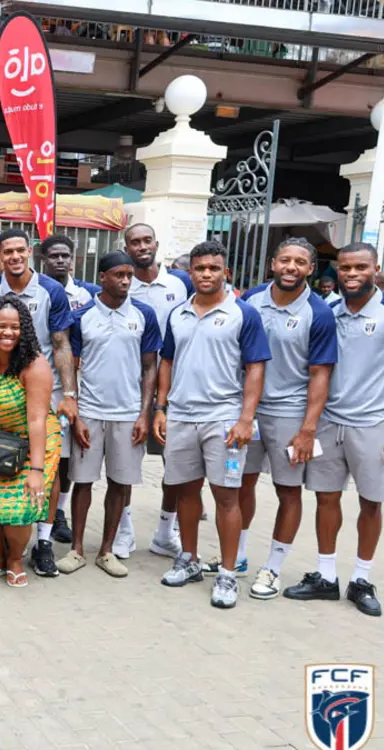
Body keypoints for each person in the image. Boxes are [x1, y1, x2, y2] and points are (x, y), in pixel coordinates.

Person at [292, 243, 384, 616]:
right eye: (345, 268)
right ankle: (325, 576)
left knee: (371, 503)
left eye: (360, 268)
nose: (352, 275)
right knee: (325, 498)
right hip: (330, 422)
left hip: (376, 425)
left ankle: (361, 580)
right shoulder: (328, 312)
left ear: (375, 268)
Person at [153, 239, 271, 609]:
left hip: (224, 419)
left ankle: (227, 574)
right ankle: (188, 559)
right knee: (185, 491)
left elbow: (256, 368)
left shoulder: (243, 313)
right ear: (190, 273)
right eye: (200, 268)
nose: (206, 274)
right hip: (182, 416)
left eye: (213, 269)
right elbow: (167, 362)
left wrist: (246, 418)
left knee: (226, 496)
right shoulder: (178, 314)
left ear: (226, 273)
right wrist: (161, 408)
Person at [0, 229, 78, 577]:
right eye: (6, 252)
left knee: (48, 475)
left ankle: (42, 541)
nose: (13, 257)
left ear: (29, 252)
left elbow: (61, 343)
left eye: (18, 251)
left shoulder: (50, 290)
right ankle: (2, 554)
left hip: (41, 386)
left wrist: (69, 394)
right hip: (0, 394)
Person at [235, 239, 336, 600]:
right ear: (272, 264)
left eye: (300, 262)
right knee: (239, 483)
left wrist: (308, 429)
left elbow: (321, 374)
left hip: (290, 414)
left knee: (288, 490)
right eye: (285, 260)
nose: (291, 267)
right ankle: (239, 556)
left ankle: (274, 567)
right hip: (247, 411)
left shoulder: (319, 312)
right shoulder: (250, 300)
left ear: (310, 269)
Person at [61, 251, 161, 577]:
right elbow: (71, 367)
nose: (125, 281)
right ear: (102, 277)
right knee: (83, 481)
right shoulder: (82, 316)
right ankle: (76, 549)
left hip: (129, 412)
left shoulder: (144, 314)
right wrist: (74, 409)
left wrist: (145, 414)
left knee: (120, 483)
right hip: (89, 411)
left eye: (129, 275)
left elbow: (150, 367)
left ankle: (106, 550)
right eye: (118, 275)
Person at [0, 296, 57, 586]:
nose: (8, 333)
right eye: (1, 326)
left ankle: (16, 559)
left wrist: (36, 470)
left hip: (32, 441)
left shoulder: (34, 365)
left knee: (18, 511)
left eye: (15, 327)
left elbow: (37, 420)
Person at [122, 222, 192, 560]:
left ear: (157, 243)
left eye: (147, 240)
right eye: (134, 242)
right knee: (123, 465)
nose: (141, 246)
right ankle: (122, 530)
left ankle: (166, 532)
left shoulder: (182, 284)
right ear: (127, 248)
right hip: (131, 389)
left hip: (177, 390)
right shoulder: (121, 282)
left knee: (176, 466)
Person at [35, 233, 93, 546]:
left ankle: (58, 512)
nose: (60, 260)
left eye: (65, 256)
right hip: (41, 378)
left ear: (73, 259)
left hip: (75, 380)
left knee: (65, 454)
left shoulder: (88, 293)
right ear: (43, 259)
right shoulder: (36, 288)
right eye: (54, 255)